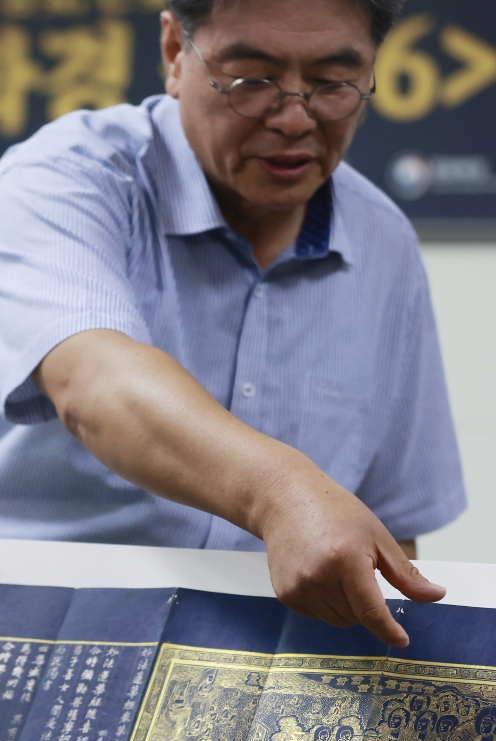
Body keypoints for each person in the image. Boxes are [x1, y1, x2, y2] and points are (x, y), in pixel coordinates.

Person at [0, 0, 465, 648]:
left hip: (250, 685)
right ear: (173, 52)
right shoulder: (64, 181)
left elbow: (388, 526)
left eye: (334, 83)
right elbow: (94, 381)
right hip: (44, 650)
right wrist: (280, 491)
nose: (296, 118)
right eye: (252, 80)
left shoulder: (383, 244)